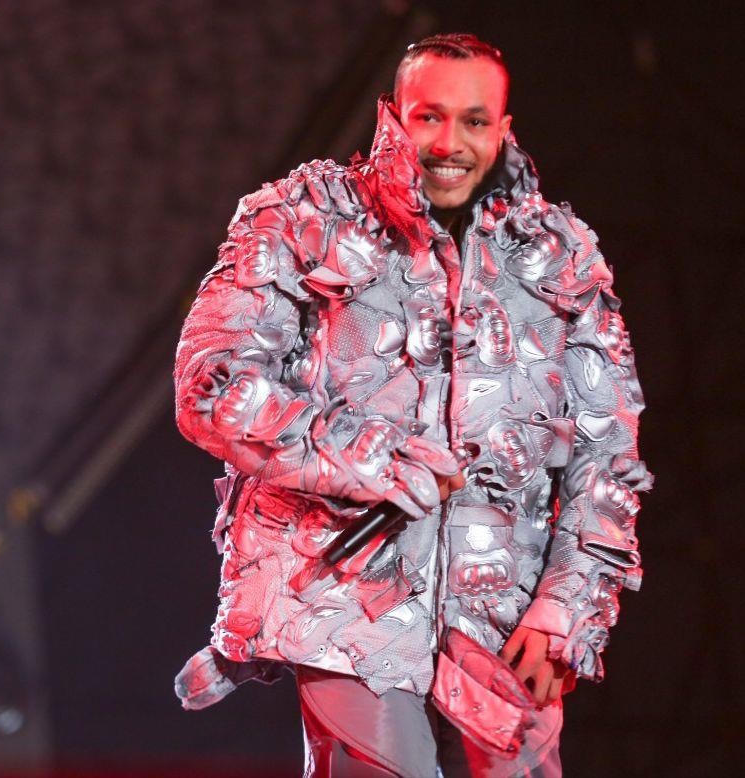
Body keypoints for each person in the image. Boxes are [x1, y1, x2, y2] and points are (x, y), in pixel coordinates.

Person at [172, 33, 653, 777]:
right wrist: (378, 458)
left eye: (473, 121)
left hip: (504, 614)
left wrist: (566, 606)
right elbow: (212, 383)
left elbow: (607, 452)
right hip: (345, 604)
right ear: (392, 115)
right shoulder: (306, 214)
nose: (449, 143)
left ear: (503, 128)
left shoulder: (560, 254)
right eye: (430, 116)